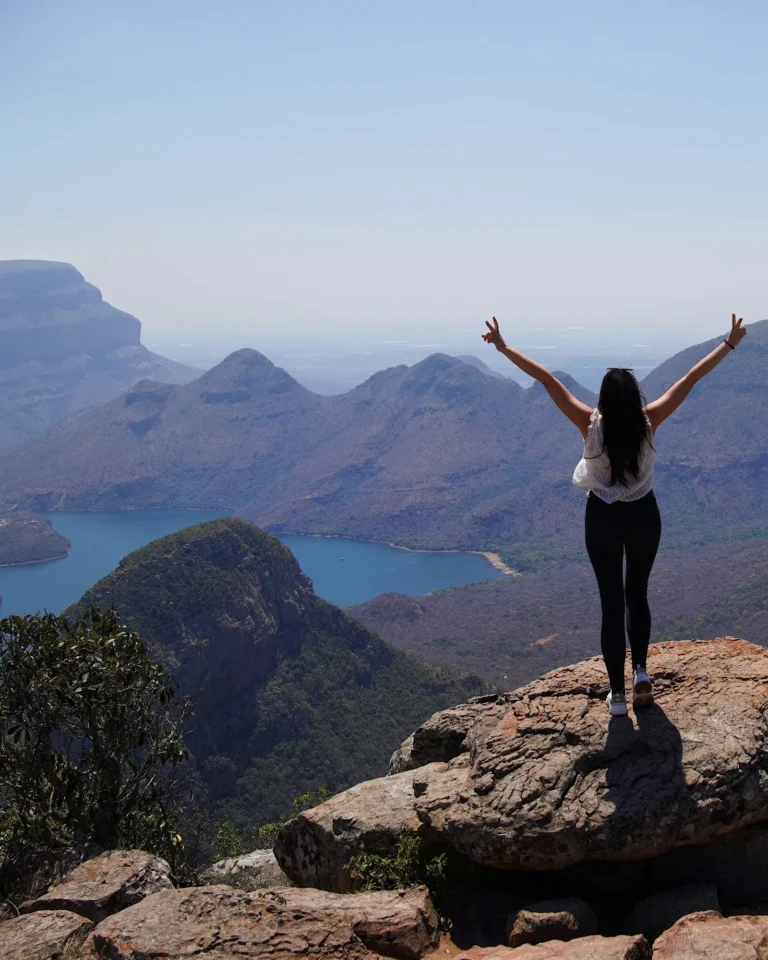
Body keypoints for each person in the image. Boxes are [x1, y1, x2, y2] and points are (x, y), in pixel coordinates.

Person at [482, 314, 747, 716]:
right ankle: (641, 672)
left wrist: (503, 347)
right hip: (643, 517)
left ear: (605, 399)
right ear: (634, 397)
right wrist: (728, 344)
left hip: (602, 519)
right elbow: (691, 378)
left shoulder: (589, 424)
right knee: (636, 594)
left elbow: (547, 380)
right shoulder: (649, 421)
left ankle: (618, 696)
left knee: (610, 604)